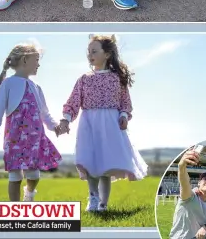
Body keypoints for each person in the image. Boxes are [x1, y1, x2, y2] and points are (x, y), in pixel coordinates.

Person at [59, 34, 148, 212]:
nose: (90, 55)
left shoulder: (117, 78)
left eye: (94, 51)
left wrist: (123, 115)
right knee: (90, 164)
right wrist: (66, 119)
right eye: (88, 51)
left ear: (107, 54)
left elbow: (125, 103)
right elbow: (73, 101)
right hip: (89, 124)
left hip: (110, 125)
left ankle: (103, 204)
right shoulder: (84, 79)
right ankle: (93, 198)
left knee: (105, 166)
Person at [0, 43, 64, 202]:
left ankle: (29, 193)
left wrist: (54, 126)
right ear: (25, 60)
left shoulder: (36, 87)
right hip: (14, 138)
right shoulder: (8, 84)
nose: (39, 64)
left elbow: (44, 113)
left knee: (34, 175)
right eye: (37, 60)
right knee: (15, 175)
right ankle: (16, 209)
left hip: (34, 139)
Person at [169, 149, 206, 239]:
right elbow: (184, 182)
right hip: (181, 237)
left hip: (198, 237)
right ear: (199, 183)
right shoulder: (190, 196)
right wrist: (182, 165)